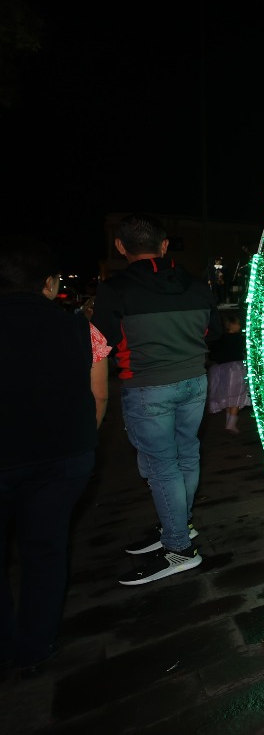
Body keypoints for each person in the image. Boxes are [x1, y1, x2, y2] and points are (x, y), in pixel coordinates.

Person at [92, 214, 220, 586]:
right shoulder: (196, 285)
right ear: (164, 245)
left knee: (162, 466)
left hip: (148, 387)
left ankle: (179, 547)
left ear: (120, 247)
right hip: (194, 380)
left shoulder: (115, 289)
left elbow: (103, 341)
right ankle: (179, 525)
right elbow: (211, 332)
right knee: (187, 455)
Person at [0, 237, 108, 677]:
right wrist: (83, 442)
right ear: (48, 283)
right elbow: (98, 395)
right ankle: (37, 642)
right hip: (64, 457)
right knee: (46, 548)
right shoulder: (81, 329)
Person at [207, 314, 249, 433]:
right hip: (235, 369)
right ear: (231, 325)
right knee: (236, 397)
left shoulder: (219, 339)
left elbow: (213, 354)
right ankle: (231, 424)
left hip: (220, 370)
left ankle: (228, 423)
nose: (240, 326)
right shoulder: (238, 338)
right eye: (238, 323)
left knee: (227, 397)